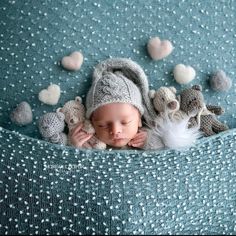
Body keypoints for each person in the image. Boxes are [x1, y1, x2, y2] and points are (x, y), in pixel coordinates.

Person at [69, 58, 161, 149]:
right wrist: (76, 146)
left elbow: (166, 147)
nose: (115, 130)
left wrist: (151, 141)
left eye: (125, 122)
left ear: (139, 120)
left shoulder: (145, 137)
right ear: (92, 124)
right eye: (103, 125)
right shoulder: (90, 142)